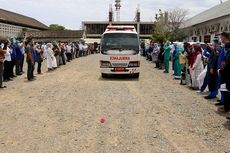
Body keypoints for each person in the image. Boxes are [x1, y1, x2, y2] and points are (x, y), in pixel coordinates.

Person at [218, 32, 230, 116]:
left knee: (227, 90)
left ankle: (226, 107)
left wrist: (222, 69)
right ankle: (224, 104)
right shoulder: (224, 47)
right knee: (223, 88)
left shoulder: (228, 47)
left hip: (226, 72)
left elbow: (227, 62)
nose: (221, 39)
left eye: (222, 37)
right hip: (222, 71)